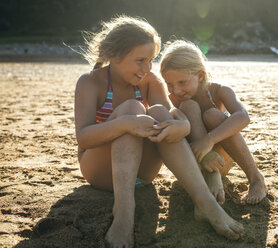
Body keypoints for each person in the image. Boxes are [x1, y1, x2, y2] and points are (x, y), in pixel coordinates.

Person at [74, 16, 244, 247]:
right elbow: (83, 137)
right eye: (140, 60)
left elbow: (172, 114)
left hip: (143, 174)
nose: (147, 68)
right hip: (101, 172)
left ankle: (204, 202)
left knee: (158, 112)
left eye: (151, 60)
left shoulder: (150, 81)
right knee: (132, 109)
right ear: (114, 56)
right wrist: (125, 124)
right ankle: (124, 212)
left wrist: (182, 125)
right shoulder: (90, 82)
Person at [159, 40, 267, 206]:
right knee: (187, 107)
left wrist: (209, 140)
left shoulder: (219, 91)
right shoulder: (175, 98)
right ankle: (210, 176)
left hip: (221, 159)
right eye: (169, 84)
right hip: (194, 162)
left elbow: (243, 116)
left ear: (200, 76)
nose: (176, 90)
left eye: (182, 82)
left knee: (212, 115)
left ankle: (255, 178)